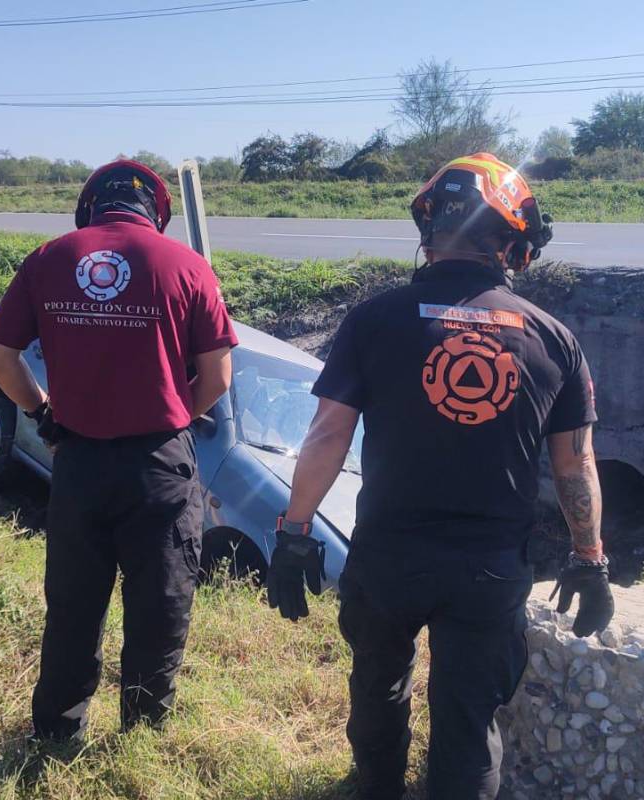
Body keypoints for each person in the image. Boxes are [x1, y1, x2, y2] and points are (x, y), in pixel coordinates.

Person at [263, 153, 615, 799]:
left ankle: (377, 790)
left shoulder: (375, 319)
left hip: (389, 556)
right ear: (514, 241)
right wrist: (590, 557)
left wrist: (294, 532)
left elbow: (327, 435)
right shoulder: (554, 337)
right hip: (488, 565)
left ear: (428, 230)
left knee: (378, 692)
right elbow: (575, 463)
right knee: (469, 723)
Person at [0, 159, 237, 741]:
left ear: (90, 206)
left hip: (78, 461)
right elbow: (218, 377)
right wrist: (174, 414)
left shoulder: (49, 259)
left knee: (73, 603)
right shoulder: (187, 266)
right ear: (158, 212)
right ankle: (143, 733)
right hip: (160, 468)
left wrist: (41, 412)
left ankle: (57, 732)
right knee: (160, 603)